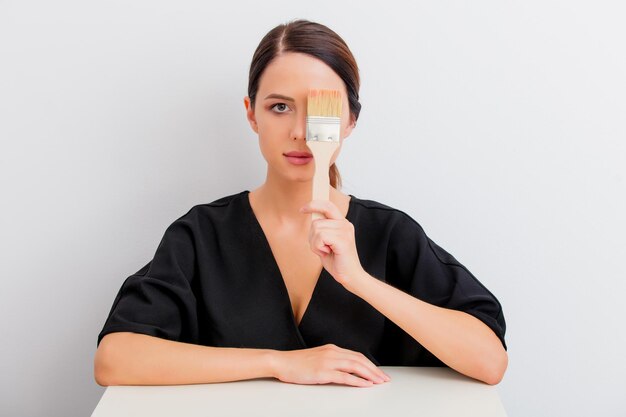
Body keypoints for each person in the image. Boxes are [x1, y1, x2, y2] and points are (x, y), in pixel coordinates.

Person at [94, 19, 507, 388]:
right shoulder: (202, 234)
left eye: (319, 113)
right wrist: (280, 363)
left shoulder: (390, 234)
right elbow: (115, 360)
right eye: (279, 107)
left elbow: (490, 362)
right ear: (251, 114)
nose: (299, 132)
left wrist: (358, 279)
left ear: (349, 121)